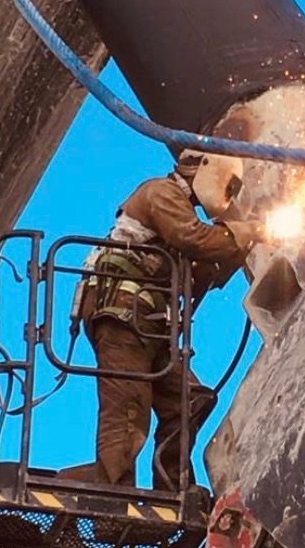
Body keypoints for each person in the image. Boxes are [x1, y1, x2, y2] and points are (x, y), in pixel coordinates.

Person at [64, 151, 260, 491]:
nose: (228, 191)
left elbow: (198, 271)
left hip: (152, 325)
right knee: (127, 410)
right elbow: (194, 239)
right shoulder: (161, 193)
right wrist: (251, 230)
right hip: (122, 316)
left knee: (191, 400)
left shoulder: (182, 215)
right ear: (205, 169)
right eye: (229, 183)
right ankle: (113, 495)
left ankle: (172, 488)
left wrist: (236, 248)